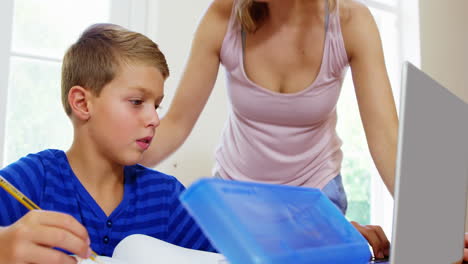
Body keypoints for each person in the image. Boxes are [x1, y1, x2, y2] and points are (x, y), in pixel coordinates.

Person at [140, 0, 398, 259]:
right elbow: (176, 123)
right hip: (237, 199)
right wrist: (103, 165)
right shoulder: (224, 16)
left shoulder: (351, 22)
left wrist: (428, 223)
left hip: (314, 198)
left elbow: (387, 140)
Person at [0, 23, 215, 264]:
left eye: (156, 105)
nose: (154, 119)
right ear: (82, 103)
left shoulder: (167, 198)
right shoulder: (34, 180)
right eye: (136, 101)